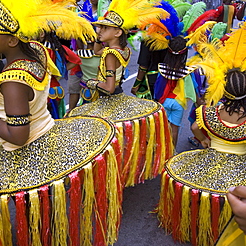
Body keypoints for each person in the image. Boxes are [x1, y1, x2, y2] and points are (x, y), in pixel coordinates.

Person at [0, 0, 124, 244]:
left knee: (35, 214)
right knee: (50, 206)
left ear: (13, 40)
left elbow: (18, 135)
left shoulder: (12, 79)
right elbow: (28, 91)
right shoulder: (36, 52)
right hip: (48, 137)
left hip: (25, 152)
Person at [156, 22, 246, 246]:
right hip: (239, 166)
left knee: (203, 190)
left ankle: (199, 223)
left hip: (211, 155)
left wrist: (206, 141)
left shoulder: (210, 112)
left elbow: (196, 128)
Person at [68, 0, 174, 187]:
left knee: (98, 138)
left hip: (106, 98)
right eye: (99, 27)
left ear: (117, 32)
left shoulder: (110, 54)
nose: (99, 31)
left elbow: (108, 86)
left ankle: (103, 175)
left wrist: (91, 83)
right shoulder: (122, 50)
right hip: (118, 95)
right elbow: (97, 50)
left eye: (104, 28)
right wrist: (98, 37)